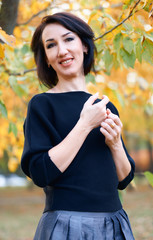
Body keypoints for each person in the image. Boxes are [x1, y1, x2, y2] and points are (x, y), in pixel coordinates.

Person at [21, 12, 135, 240]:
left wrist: (115, 144)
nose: (62, 50)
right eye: (51, 45)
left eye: (68, 39)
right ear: (47, 58)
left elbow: (125, 178)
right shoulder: (42, 105)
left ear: (84, 45)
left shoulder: (104, 105)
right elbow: (41, 173)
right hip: (65, 224)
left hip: (113, 223)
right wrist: (84, 125)